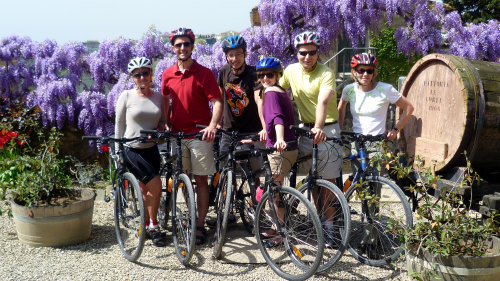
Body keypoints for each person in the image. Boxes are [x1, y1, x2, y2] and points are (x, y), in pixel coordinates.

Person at [337, 52, 414, 256]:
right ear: (354, 72)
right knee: (361, 191)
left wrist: (395, 129)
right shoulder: (349, 90)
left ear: (374, 72)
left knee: (373, 193)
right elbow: (340, 108)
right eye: (360, 70)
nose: (365, 74)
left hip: (376, 145)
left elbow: (408, 108)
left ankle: (370, 239)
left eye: (369, 71)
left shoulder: (385, 89)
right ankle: (364, 231)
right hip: (356, 144)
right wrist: (339, 130)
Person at [161, 27, 223, 245]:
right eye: (178, 45)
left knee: (201, 180)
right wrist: (165, 123)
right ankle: (192, 213)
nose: (182, 48)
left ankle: (200, 224)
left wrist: (213, 125)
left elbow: (217, 101)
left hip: (199, 134)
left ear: (192, 46)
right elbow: (164, 100)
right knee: (183, 180)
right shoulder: (168, 73)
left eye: (186, 44)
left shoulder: (204, 73)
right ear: (173, 48)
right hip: (177, 136)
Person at [210, 35, 265, 226]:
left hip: (251, 131)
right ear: (226, 56)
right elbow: (219, 99)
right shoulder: (223, 72)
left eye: (238, 54)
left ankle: (257, 208)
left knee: (254, 173)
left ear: (245, 54)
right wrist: (215, 122)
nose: (235, 58)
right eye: (231, 55)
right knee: (227, 171)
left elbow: (259, 99)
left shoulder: (253, 73)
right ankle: (229, 208)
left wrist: (264, 127)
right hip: (228, 131)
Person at [115, 57, 166, 247]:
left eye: (145, 73)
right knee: (155, 183)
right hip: (132, 149)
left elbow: (162, 122)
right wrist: (117, 152)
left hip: (151, 148)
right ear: (133, 77)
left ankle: (145, 223)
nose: (142, 77)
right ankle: (154, 226)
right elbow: (119, 124)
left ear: (151, 74)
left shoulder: (159, 97)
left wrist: (160, 132)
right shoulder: (126, 96)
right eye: (138, 75)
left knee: (147, 191)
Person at [279, 31, 342, 183]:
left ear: (317, 52)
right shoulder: (290, 71)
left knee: (327, 180)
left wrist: (318, 127)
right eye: (303, 53)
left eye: (312, 53)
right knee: (312, 178)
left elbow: (323, 101)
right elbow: (277, 93)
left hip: (326, 129)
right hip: (306, 130)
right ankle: (315, 208)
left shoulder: (326, 73)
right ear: (297, 53)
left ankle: (330, 207)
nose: (307, 57)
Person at [257, 57, 298, 247]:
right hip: (289, 147)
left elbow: (278, 118)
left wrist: (279, 139)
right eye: (262, 75)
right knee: (276, 190)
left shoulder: (272, 92)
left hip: (279, 149)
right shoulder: (282, 92)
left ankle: (280, 234)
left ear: (279, 75)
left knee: (275, 192)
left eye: (270, 74)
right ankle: (276, 226)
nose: (265, 78)